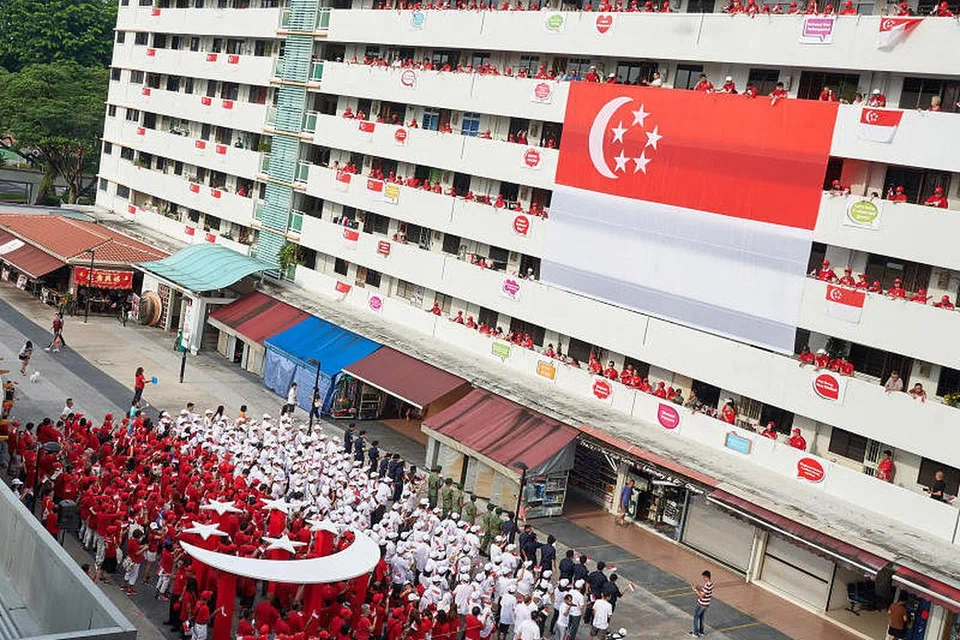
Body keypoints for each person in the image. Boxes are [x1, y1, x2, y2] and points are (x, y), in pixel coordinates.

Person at [690, 570, 714, 638]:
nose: (703, 578)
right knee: (701, 617)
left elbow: (701, 596)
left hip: (701, 604)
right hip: (706, 604)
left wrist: (695, 590)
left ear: (707, 577)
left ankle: (695, 632)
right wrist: (698, 587)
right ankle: (701, 631)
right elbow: (704, 591)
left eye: (704, 577)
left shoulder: (707, 586)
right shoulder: (710, 584)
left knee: (695, 617)